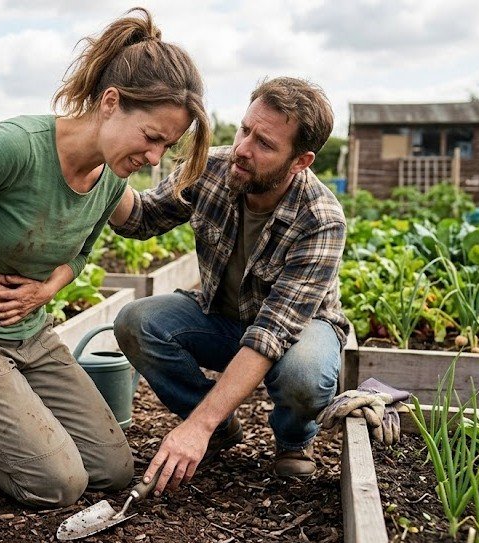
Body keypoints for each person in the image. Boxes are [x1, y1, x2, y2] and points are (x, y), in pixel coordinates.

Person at [0, 8, 211, 508]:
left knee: (114, 471)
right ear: (111, 102)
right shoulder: (16, 148)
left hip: (31, 337)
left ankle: (8, 429)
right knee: (59, 484)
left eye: (167, 145)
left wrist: (50, 288)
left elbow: (84, 250)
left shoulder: (111, 176)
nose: (155, 157)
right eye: (152, 136)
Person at [109, 76, 350, 496]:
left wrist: (193, 429)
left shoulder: (321, 219)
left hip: (297, 332)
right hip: (222, 317)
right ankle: (219, 427)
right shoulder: (214, 168)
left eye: (265, 144)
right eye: (245, 130)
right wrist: (103, 165)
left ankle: (293, 440)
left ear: (300, 161)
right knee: (136, 321)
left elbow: (273, 333)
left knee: (304, 375)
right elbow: (143, 217)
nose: (243, 148)